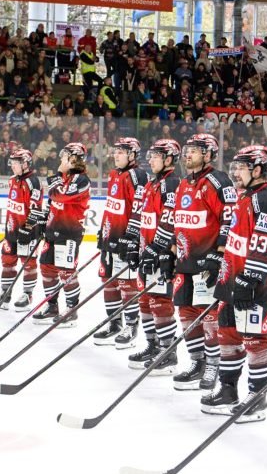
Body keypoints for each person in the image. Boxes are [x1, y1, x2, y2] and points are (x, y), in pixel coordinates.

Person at [141, 132, 235, 392]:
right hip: (185, 263)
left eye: (194, 150)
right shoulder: (184, 183)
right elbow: (177, 223)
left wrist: (219, 254)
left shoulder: (218, 181)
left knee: (209, 317)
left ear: (208, 154)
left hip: (207, 263)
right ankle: (197, 362)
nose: (188, 154)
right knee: (186, 313)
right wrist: (169, 253)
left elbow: (229, 219)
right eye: (187, 150)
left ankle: (213, 365)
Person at [203, 144, 267, 422]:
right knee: (228, 334)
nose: (236, 173)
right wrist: (220, 263)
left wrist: (250, 278)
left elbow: (265, 243)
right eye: (235, 167)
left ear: (258, 170)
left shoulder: (266, 200)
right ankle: (228, 391)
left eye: (242, 167)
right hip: (232, 280)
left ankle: (257, 398)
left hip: (255, 284)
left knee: (254, 339)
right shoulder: (243, 197)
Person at [127, 138, 182, 375]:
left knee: (160, 302)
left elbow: (171, 221)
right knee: (145, 299)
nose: (150, 160)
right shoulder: (152, 183)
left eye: (156, 156)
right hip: (146, 251)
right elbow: (143, 218)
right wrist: (134, 245)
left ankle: (167, 351)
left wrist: (161, 250)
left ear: (168, 159)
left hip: (161, 254)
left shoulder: (172, 184)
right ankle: (152, 345)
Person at [93, 137, 149, 348]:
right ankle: (114, 323)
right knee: (108, 281)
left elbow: (140, 207)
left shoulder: (138, 175)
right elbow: (112, 206)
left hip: (126, 239)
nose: (116, 155)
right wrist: (104, 231)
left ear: (132, 155)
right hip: (111, 237)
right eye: (115, 151)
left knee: (126, 283)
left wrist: (132, 236)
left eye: (121, 152)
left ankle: (131, 326)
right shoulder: (114, 174)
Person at [33, 143, 91, 327]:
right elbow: (52, 201)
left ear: (74, 158)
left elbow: (59, 195)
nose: (61, 158)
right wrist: (44, 220)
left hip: (69, 232)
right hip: (53, 230)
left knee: (66, 272)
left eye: (65, 155)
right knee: (46, 267)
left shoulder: (81, 180)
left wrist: (57, 175)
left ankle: (72, 311)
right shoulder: (65, 177)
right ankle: (52, 307)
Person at [0, 149, 47, 309]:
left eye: (16, 163)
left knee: (28, 263)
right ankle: (5, 294)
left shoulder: (33, 182)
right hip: (11, 230)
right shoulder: (12, 180)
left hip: (28, 231)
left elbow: (36, 209)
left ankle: (27, 295)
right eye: (12, 162)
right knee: (7, 261)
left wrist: (27, 228)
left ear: (26, 164)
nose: (12, 166)